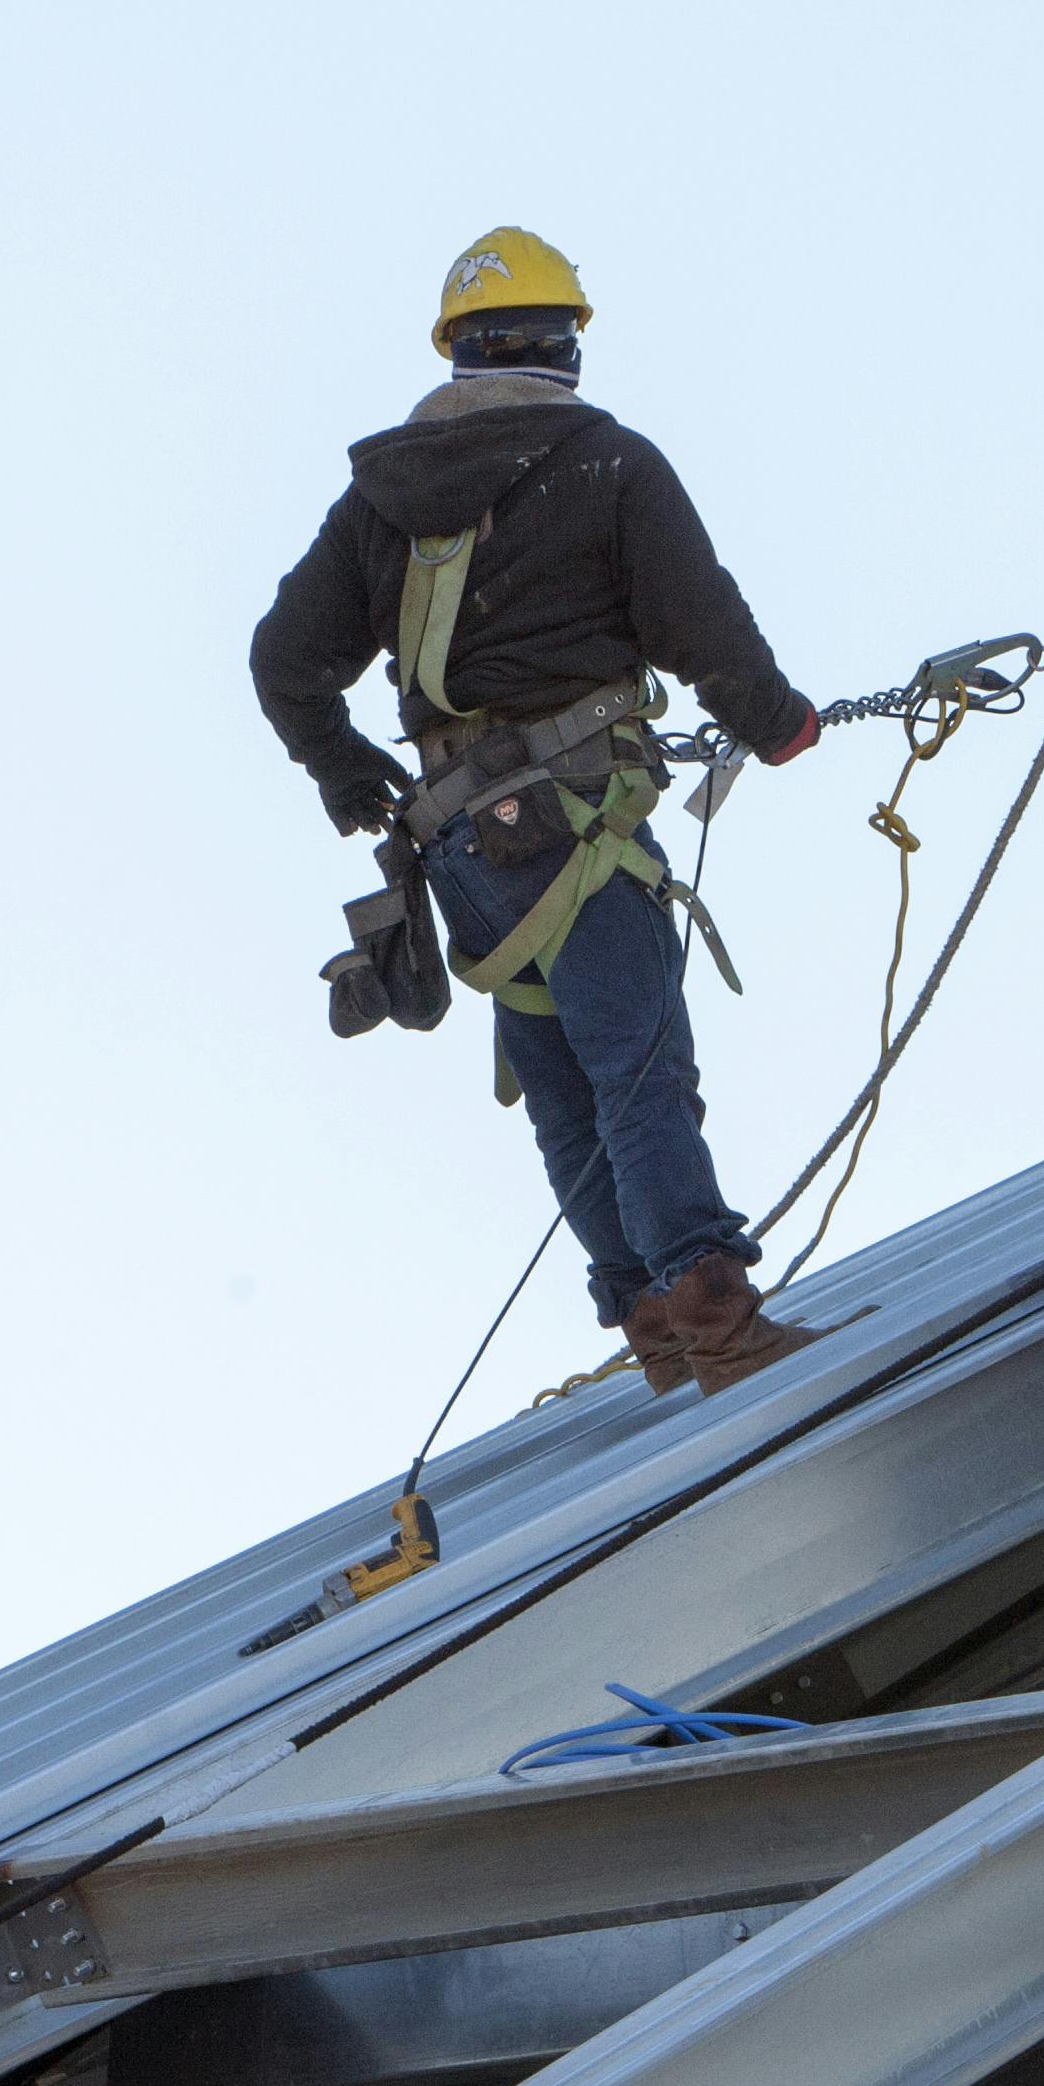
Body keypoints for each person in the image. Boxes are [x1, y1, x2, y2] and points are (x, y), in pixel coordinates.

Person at [252, 230, 833, 1396]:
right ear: (565, 343)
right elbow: (702, 627)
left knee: (564, 1078)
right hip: (580, 818)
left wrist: (345, 771)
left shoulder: (382, 501)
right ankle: (711, 1307)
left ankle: (652, 1322)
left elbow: (284, 659)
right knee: (636, 1063)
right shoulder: (607, 464)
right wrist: (779, 723)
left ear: (456, 350)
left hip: (461, 848)